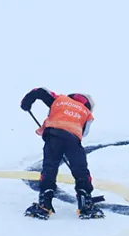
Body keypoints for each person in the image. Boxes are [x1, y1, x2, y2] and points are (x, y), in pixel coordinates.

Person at [19, 87, 104, 219]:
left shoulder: (59, 99)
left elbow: (40, 91)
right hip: (73, 141)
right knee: (80, 170)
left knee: (49, 168)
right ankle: (85, 202)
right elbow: (84, 133)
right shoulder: (87, 113)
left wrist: (26, 103)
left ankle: (45, 203)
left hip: (53, 136)